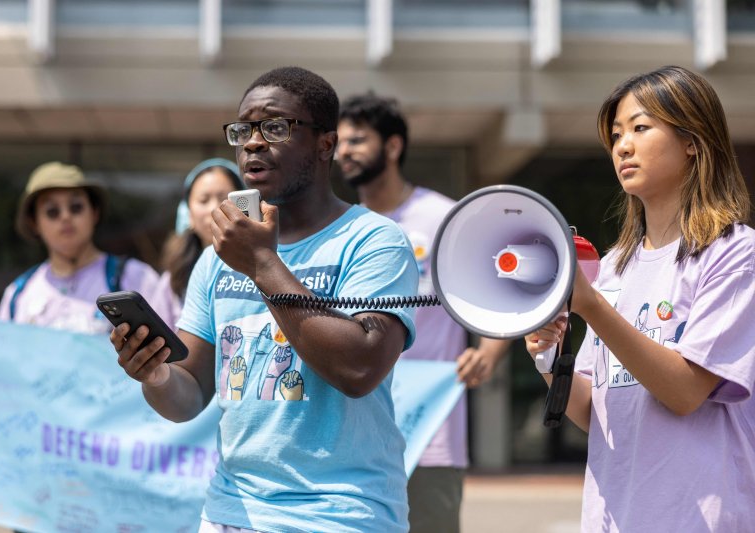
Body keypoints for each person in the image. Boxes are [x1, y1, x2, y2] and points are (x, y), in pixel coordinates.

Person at [110, 66, 419, 533]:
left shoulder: (374, 241)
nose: (253, 142)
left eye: (275, 127)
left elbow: (359, 369)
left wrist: (261, 263)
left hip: (340, 514)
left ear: (325, 145)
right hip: (230, 512)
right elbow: (188, 396)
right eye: (244, 130)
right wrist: (153, 374)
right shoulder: (218, 259)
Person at [526, 65, 755, 531]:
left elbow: (686, 392)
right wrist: (548, 356)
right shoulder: (612, 268)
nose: (622, 146)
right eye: (615, 135)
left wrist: (590, 306)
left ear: (693, 139)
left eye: (640, 127)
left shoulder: (735, 253)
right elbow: (596, 415)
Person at [337, 92, 511, 533]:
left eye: (356, 140)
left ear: (393, 147)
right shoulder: (340, 227)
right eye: (339, 143)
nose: (344, 152)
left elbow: (501, 292)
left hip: (431, 431)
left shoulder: (441, 217)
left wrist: (489, 352)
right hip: (349, 430)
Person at [0, 161, 164, 334]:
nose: (65, 217)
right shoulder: (18, 294)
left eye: (76, 207)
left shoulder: (138, 278)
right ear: (34, 223)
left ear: (94, 213)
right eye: (52, 211)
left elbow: (168, 355)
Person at [154, 158, 244, 328]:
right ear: (187, 214)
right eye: (203, 200)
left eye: (224, 198)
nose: (214, 209)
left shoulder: (259, 266)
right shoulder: (173, 280)